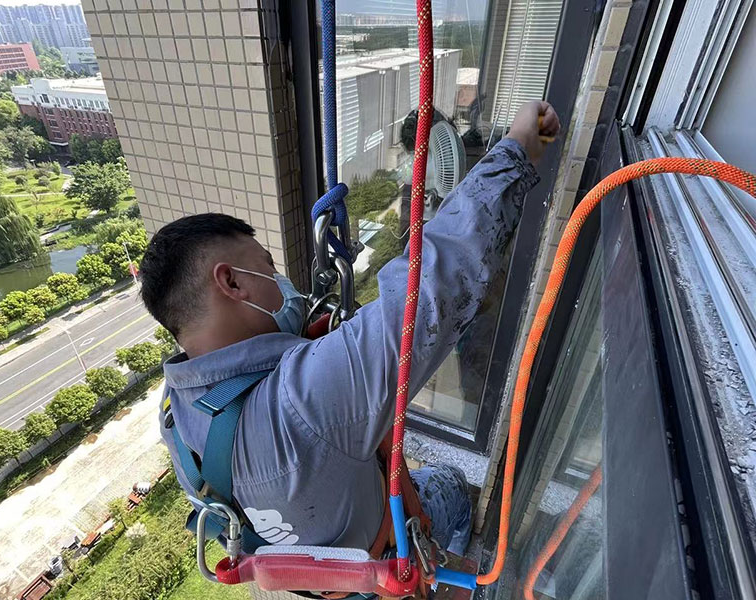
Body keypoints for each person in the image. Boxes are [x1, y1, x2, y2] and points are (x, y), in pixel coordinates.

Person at [139, 101, 560, 556]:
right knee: (450, 484)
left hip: (329, 570)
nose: (280, 279)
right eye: (268, 266)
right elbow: (432, 290)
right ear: (233, 282)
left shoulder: (175, 414)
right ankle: (449, 560)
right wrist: (519, 148)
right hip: (387, 553)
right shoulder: (303, 402)